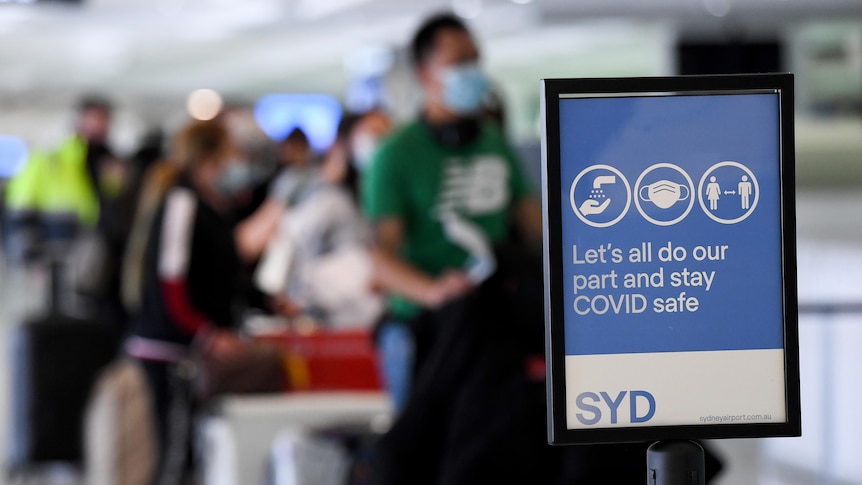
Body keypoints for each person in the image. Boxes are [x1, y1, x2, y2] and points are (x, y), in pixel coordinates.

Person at [363, 13, 549, 485]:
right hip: (429, 327)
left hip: (494, 319)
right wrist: (432, 290)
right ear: (426, 73)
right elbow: (380, 258)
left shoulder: (492, 142)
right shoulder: (396, 154)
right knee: (426, 451)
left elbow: (534, 227)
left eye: (476, 60)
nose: (473, 71)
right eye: (459, 61)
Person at [124, 120, 280, 480]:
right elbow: (171, 282)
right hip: (169, 353)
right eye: (232, 154)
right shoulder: (182, 202)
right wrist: (205, 334)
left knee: (196, 458)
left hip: (196, 352)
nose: (238, 164)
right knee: (171, 458)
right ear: (209, 160)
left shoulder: (217, 208)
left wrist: (268, 303)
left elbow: (224, 275)